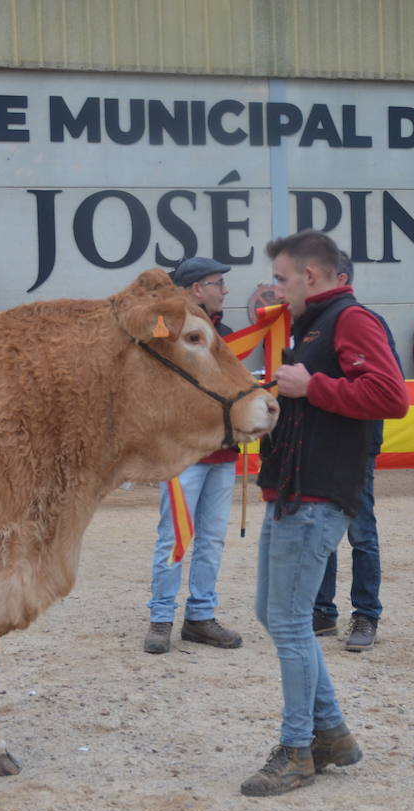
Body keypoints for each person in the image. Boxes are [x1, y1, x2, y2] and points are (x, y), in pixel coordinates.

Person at [243, 230, 408, 798]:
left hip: (316, 494)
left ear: (311, 275)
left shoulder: (350, 319)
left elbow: (391, 396)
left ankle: (297, 750)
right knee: (273, 612)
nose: (276, 289)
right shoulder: (317, 322)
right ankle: (331, 734)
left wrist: (313, 386)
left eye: (283, 278)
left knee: (287, 620)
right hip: (295, 491)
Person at [143, 256, 244, 654]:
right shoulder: (165, 329)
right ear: (197, 289)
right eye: (219, 282)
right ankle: (162, 617)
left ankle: (199, 616)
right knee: (174, 537)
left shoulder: (232, 334)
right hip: (182, 452)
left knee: (212, 539)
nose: (225, 290)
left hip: (221, 451)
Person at [312, 253, 399, 653]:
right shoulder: (314, 325)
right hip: (323, 442)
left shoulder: (365, 323)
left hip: (357, 442)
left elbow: (386, 387)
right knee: (323, 532)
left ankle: (366, 613)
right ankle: (322, 610)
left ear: (342, 278)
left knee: (361, 531)